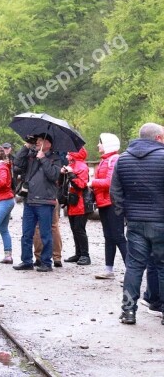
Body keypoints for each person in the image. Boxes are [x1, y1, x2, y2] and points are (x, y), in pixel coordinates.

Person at [110, 123, 164, 325]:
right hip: (161, 222)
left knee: (134, 267)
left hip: (135, 223)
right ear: (158, 138)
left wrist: (126, 213)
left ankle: (128, 312)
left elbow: (114, 193)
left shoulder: (123, 159)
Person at [13, 133, 62, 272]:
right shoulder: (31, 156)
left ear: (49, 144)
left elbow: (53, 175)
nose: (38, 143)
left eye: (41, 140)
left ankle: (46, 262)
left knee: (45, 233)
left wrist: (44, 159)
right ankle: (26, 260)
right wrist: (26, 146)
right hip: (30, 199)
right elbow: (17, 163)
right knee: (26, 233)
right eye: (37, 140)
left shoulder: (55, 158)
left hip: (45, 201)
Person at [89, 133, 126, 280]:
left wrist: (92, 183)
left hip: (113, 203)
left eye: (100, 143)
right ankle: (108, 269)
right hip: (104, 202)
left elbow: (110, 182)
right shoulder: (105, 160)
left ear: (108, 144)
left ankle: (131, 269)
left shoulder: (114, 160)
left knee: (118, 236)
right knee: (109, 237)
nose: (98, 145)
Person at [61, 147, 91, 265]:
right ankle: (78, 254)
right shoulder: (72, 165)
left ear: (75, 154)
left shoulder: (82, 167)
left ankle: (85, 255)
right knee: (74, 229)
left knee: (80, 229)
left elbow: (82, 185)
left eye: (69, 153)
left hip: (81, 203)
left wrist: (71, 173)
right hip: (73, 202)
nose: (67, 155)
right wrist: (64, 173)